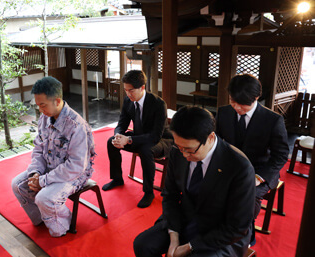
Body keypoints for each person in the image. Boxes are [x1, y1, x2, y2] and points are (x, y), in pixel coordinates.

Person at [133, 106, 255, 257]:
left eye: (190, 150)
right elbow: (170, 195)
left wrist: (189, 247)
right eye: (179, 147)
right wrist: (174, 237)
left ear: (210, 138)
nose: (184, 154)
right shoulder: (178, 151)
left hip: (220, 232)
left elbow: (237, 227)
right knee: (142, 245)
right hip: (185, 218)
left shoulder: (238, 167)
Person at [11, 76, 95, 237]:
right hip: (50, 168)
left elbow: (76, 166)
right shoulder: (44, 118)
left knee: (44, 198)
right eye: (38, 105)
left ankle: (62, 224)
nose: (40, 110)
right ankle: (43, 217)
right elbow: (38, 149)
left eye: (43, 105)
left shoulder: (77, 126)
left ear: (57, 101)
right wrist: (35, 173)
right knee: (18, 185)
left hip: (74, 175)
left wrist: (43, 181)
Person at [215, 74, 289, 244]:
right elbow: (217, 142)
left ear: (256, 97)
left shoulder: (273, 120)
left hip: (259, 170)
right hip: (231, 167)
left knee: (249, 196)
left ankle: (245, 234)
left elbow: (281, 155)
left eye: (242, 103)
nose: (236, 107)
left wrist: (259, 177)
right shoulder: (224, 112)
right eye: (233, 101)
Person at [102, 70, 169, 208]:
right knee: (111, 142)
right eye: (125, 90)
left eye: (131, 90)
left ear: (142, 87)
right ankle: (117, 178)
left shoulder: (158, 104)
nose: (128, 94)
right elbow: (121, 124)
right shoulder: (128, 100)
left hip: (160, 140)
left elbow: (155, 136)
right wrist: (118, 136)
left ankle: (148, 191)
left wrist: (129, 140)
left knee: (146, 150)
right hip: (139, 135)